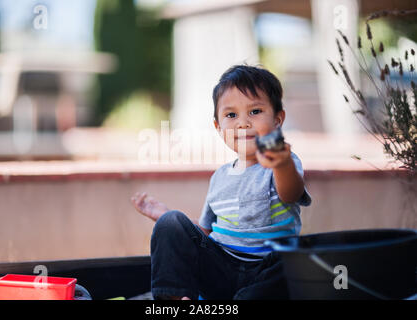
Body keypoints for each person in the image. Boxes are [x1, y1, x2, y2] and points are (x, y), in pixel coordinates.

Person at [131, 65, 312, 300]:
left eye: (255, 111)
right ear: (218, 127)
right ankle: (174, 301)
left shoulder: (283, 164)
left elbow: (290, 192)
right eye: (231, 115)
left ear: (278, 120)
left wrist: (280, 161)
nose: (243, 123)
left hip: (265, 271)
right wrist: (167, 217)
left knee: (292, 263)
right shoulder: (220, 178)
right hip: (221, 270)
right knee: (171, 222)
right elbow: (206, 231)